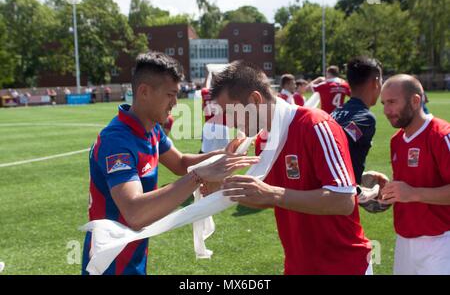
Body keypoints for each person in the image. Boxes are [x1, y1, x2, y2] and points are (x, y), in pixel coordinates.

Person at [81, 52, 258, 275]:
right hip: (108, 264)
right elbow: (134, 213)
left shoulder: (151, 128)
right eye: (170, 95)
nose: (175, 102)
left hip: (131, 256)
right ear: (144, 92)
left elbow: (181, 162)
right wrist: (199, 176)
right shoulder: (117, 141)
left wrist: (223, 153)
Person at [209, 61, 372, 275]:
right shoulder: (263, 140)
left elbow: (343, 200)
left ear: (254, 100)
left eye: (230, 113)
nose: (228, 123)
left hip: (343, 266)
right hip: (298, 267)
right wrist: (221, 186)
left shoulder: (316, 125)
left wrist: (274, 194)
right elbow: (265, 197)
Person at [380, 74, 450, 275]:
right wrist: (387, 189)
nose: (386, 110)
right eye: (384, 103)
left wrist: (413, 193)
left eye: (392, 102)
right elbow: (409, 187)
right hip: (404, 241)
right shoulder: (397, 140)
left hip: (440, 243)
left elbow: (412, 192)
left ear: (415, 101)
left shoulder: (441, 135)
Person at [331, 56, 389, 213]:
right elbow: (333, 150)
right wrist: (366, 193)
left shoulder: (337, 111)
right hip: (339, 206)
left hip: (328, 200)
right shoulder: (365, 118)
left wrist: (360, 175)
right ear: (376, 82)